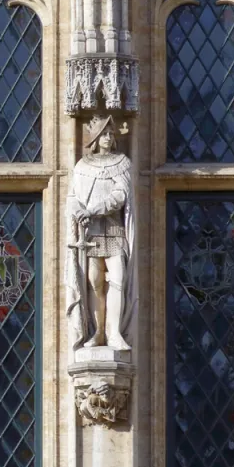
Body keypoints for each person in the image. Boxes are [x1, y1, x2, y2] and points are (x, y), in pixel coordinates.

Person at [65, 115, 136, 351]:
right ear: (96, 138)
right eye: (104, 133)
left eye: (111, 133)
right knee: (94, 282)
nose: (108, 137)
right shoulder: (82, 166)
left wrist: (93, 210)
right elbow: (73, 198)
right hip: (90, 234)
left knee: (118, 278)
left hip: (114, 230)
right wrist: (79, 212)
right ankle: (97, 332)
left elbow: (120, 196)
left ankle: (114, 332)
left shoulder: (122, 163)